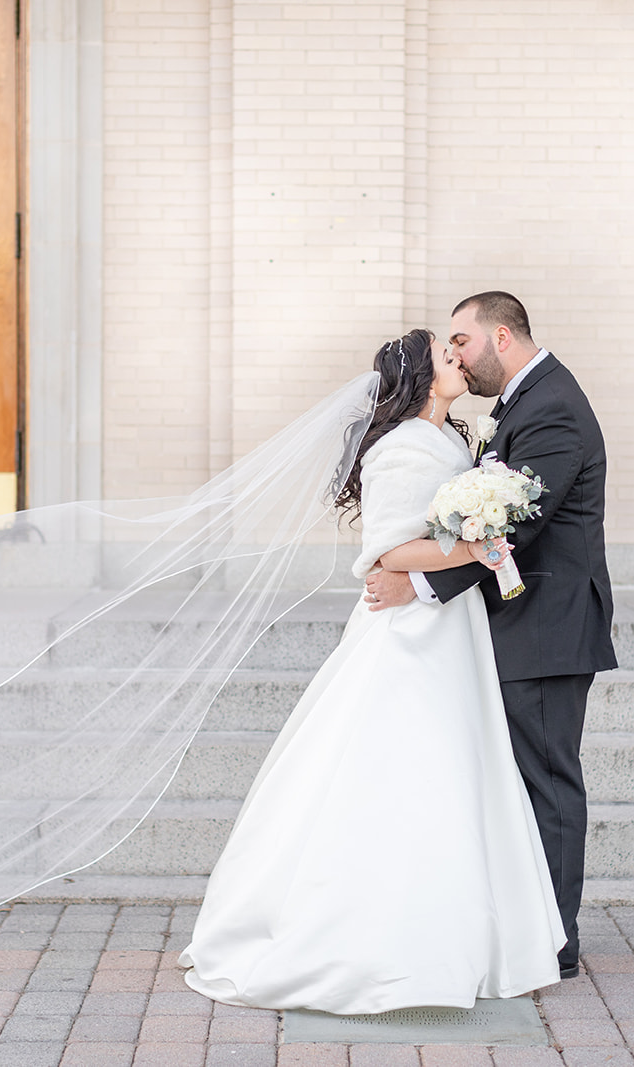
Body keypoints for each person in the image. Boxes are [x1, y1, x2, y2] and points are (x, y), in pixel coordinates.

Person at [178, 328, 566, 1014]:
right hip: (408, 641)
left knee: (458, 772)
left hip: (452, 632)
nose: (460, 361)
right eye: (447, 358)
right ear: (421, 379)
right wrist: (477, 545)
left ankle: (468, 936)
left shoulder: (453, 440)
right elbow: (391, 551)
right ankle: (375, 940)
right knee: (405, 773)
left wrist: (478, 535)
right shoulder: (400, 448)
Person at [363, 292, 618, 981]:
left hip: (548, 629)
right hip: (519, 627)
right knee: (520, 785)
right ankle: (525, 925)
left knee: (548, 784)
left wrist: (413, 584)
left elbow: (514, 524)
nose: (458, 357)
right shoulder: (525, 405)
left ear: (500, 337)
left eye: (462, 341)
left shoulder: (553, 407)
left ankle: (556, 943)